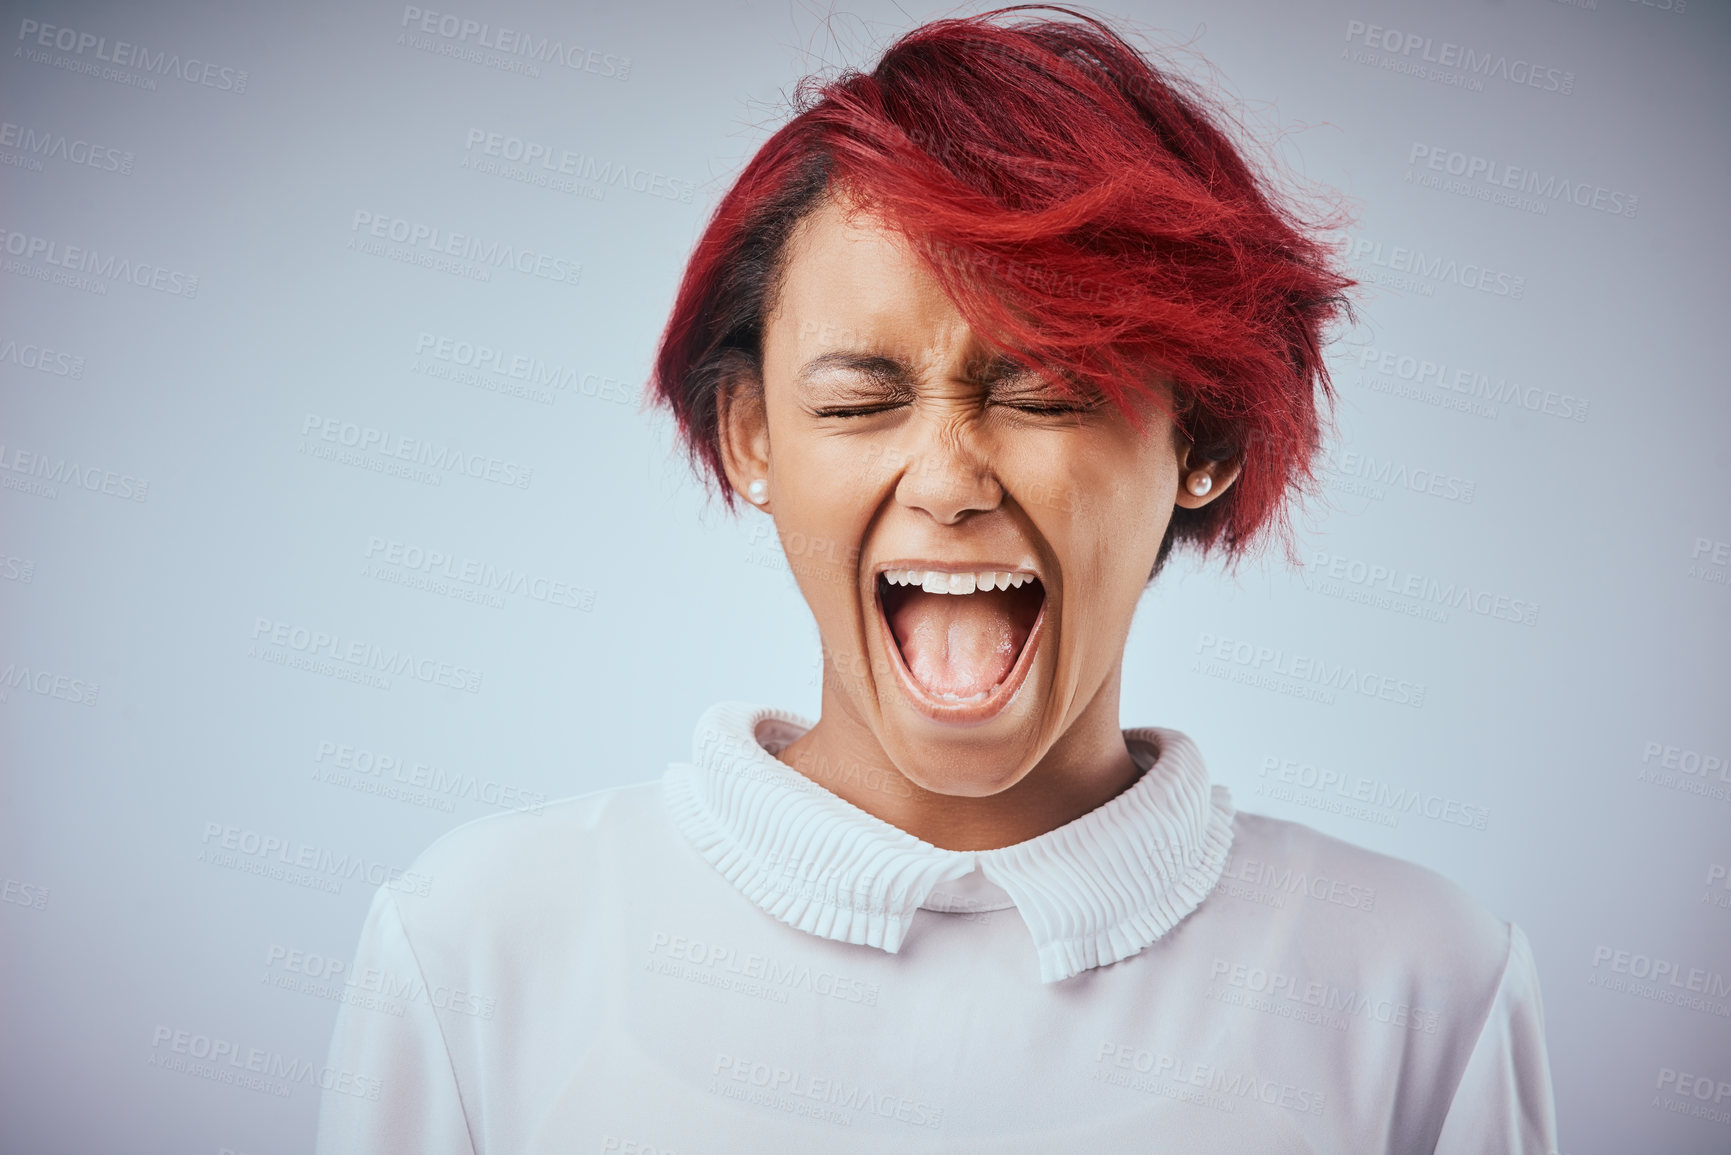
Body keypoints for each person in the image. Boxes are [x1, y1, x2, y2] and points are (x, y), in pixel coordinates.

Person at [317, 9, 1558, 1152]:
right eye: (862, 400)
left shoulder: (1417, 988)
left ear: (1205, 440)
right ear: (753, 434)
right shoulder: (480, 946)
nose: (950, 477)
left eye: (1047, 393)